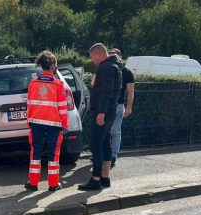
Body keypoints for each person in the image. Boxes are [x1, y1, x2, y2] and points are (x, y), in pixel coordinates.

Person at [79, 43, 122, 191]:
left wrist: (101, 112)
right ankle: (105, 177)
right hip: (111, 110)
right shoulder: (115, 66)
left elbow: (106, 92)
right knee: (105, 142)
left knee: (96, 144)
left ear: (98, 54)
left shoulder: (106, 68)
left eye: (92, 56)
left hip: (102, 111)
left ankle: (95, 179)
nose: (91, 60)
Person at [25, 51, 69, 192]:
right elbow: (63, 108)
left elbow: (29, 104)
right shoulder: (59, 85)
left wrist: (29, 122)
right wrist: (65, 124)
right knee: (53, 154)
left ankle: (33, 183)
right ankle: (53, 184)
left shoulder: (33, 83)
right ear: (52, 65)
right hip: (54, 125)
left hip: (36, 124)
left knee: (35, 154)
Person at [108, 48, 135, 168]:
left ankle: (113, 155)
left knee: (114, 130)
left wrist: (129, 108)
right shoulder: (107, 70)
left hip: (118, 106)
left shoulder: (127, 73)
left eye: (114, 57)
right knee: (105, 131)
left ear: (120, 58)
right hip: (106, 106)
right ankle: (104, 154)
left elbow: (130, 92)